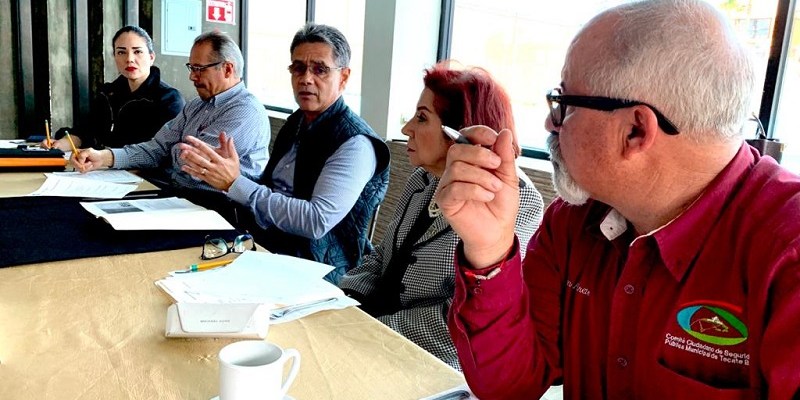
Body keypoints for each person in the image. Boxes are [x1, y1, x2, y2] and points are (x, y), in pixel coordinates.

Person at [436, 1, 800, 399]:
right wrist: (488, 250)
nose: (549, 123)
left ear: (635, 131)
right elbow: (511, 385)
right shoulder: (574, 220)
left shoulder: (786, 255)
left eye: (563, 104)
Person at [338, 62, 543, 369]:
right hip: (368, 328)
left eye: (422, 118)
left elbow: (461, 319)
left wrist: (370, 330)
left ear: (462, 134)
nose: (406, 129)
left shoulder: (520, 202)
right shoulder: (423, 178)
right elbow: (383, 255)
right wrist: (342, 300)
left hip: (429, 361)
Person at [178, 23, 389, 283]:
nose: (306, 79)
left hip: (316, 267)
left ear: (343, 77)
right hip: (263, 244)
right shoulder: (297, 122)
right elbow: (271, 189)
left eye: (320, 69)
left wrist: (235, 183)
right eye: (298, 68)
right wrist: (228, 176)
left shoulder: (355, 143)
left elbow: (315, 221)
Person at [72, 30, 270, 193]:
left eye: (199, 69)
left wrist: (170, 151)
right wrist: (104, 157)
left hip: (215, 206)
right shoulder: (196, 106)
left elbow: (195, 166)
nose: (192, 77)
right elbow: (156, 148)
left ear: (227, 69)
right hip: (174, 192)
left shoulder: (245, 111)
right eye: (191, 68)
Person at [44, 26, 184, 151]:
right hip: (104, 167)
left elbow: (161, 151)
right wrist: (63, 143)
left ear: (151, 57)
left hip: (142, 170)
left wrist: (108, 158)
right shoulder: (108, 94)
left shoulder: (169, 99)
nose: (129, 59)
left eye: (137, 52)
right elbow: (86, 131)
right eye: (121, 52)